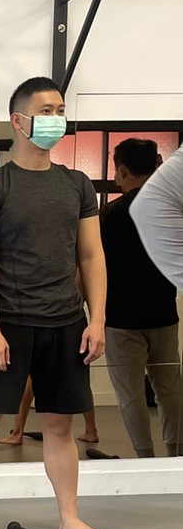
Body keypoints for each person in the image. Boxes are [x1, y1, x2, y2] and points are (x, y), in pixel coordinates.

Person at [0, 77, 108, 529]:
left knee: (59, 425)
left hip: (66, 323)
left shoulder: (77, 185)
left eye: (60, 110)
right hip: (9, 323)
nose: (56, 119)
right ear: (19, 120)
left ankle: (69, 517)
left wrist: (96, 319)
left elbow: (91, 256)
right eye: (46, 111)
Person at [102, 138, 182, 457]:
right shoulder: (171, 210)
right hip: (164, 315)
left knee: (131, 395)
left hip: (119, 320)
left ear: (122, 171)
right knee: (171, 391)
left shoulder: (108, 215)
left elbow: (92, 267)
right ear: (159, 163)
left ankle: (144, 457)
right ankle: (177, 456)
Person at [131, 145, 183, 291]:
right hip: (163, 295)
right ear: (158, 160)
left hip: (123, 293)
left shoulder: (111, 212)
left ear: (121, 172)